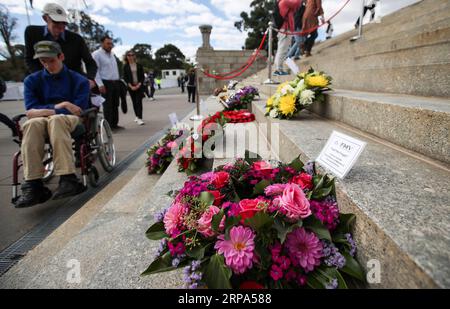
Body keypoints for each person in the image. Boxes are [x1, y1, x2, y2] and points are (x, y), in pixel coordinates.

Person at [15, 41, 89, 208]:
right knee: (31, 125)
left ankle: (67, 177)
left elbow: (78, 110)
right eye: (43, 61)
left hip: (70, 121)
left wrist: (45, 112)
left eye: (51, 60)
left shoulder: (78, 80)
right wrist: (60, 106)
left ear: (61, 56)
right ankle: (33, 182)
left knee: (55, 120)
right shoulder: (31, 81)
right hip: (47, 119)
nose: (48, 65)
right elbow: (30, 111)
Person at [24, 3, 97, 88]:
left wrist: (90, 79)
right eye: (56, 24)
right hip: (45, 83)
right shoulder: (32, 33)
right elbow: (29, 59)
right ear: (45, 18)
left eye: (64, 24)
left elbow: (90, 62)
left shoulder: (76, 39)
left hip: (72, 83)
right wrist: (42, 78)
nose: (60, 29)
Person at [92, 36, 122, 130]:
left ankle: (115, 124)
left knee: (115, 104)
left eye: (111, 43)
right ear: (102, 44)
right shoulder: (97, 54)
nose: (110, 45)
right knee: (108, 105)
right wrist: (100, 84)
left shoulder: (112, 54)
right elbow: (95, 70)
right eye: (108, 43)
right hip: (105, 83)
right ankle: (108, 127)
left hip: (115, 82)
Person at [274, 0, 302, 76]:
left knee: (281, 50)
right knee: (282, 50)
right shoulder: (285, 1)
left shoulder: (281, 2)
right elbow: (297, 3)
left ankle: (278, 69)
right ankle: (278, 70)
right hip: (285, 30)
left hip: (283, 30)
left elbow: (295, 7)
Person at [123, 51, 145, 126]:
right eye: (129, 55)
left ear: (134, 56)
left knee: (139, 101)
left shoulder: (139, 65)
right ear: (127, 57)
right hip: (131, 87)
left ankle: (139, 118)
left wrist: (139, 84)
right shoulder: (125, 66)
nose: (131, 56)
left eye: (132, 55)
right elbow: (125, 78)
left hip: (139, 86)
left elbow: (142, 76)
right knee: (134, 102)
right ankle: (136, 115)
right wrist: (131, 86)